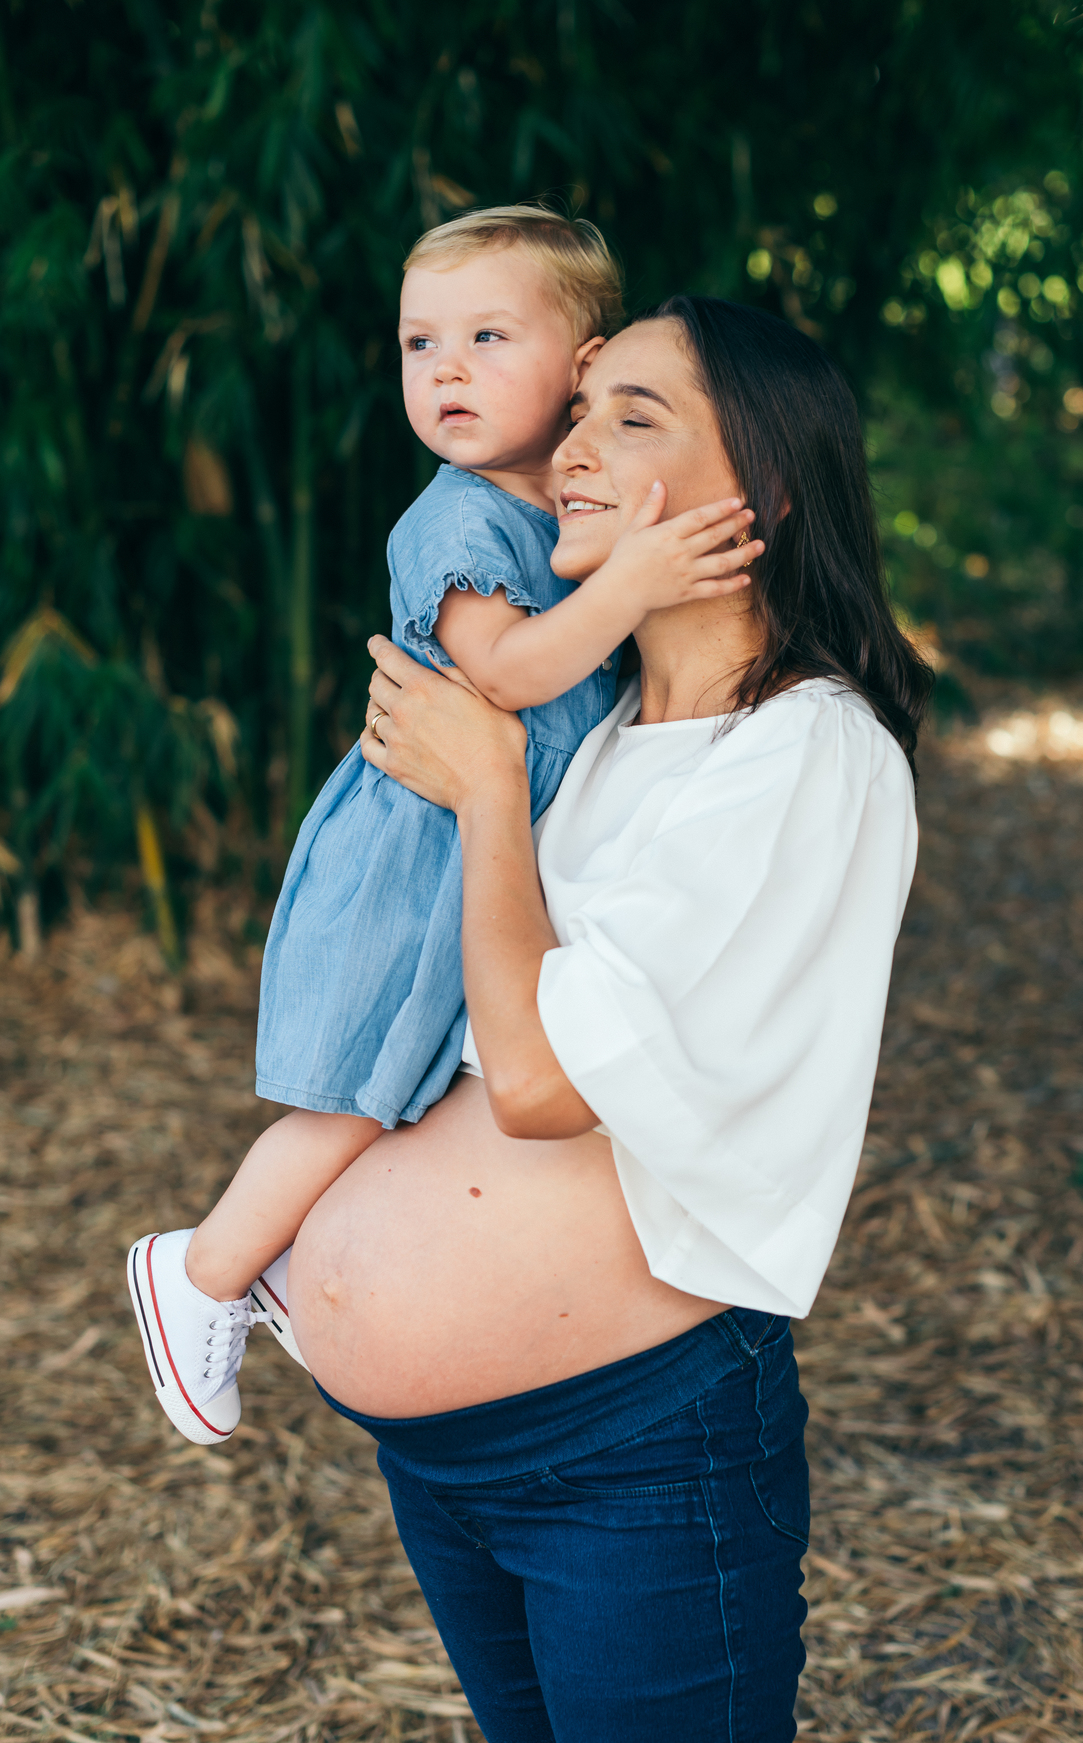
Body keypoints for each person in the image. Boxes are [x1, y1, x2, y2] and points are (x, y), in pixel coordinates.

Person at [287, 296, 933, 1743]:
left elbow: (535, 1080)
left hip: (632, 1453)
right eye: (579, 410)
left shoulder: (806, 754)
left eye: (633, 416)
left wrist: (488, 788)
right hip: (456, 1455)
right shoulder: (602, 736)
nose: (572, 446)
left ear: (761, 489)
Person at [126, 209, 763, 1447]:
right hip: (412, 859)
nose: (447, 369)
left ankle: (263, 1267)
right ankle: (199, 1270)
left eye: (485, 335)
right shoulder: (457, 520)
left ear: (584, 369)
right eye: (421, 343)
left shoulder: (572, 515)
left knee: (415, 1089)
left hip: (478, 860)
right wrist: (633, 584)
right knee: (364, 1092)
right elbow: (512, 672)